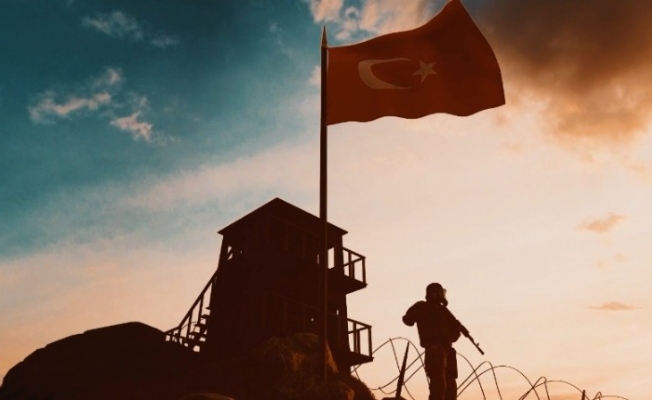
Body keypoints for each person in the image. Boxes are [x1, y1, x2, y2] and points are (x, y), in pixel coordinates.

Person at [403, 283, 461, 400]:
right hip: (434, 351)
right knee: (438, 385)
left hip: (447, 352)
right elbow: (408, 320)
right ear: (434, 294)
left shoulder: (443, 311)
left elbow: (455, 332)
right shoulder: (422, 307)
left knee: (450, 386)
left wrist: (454, 331)